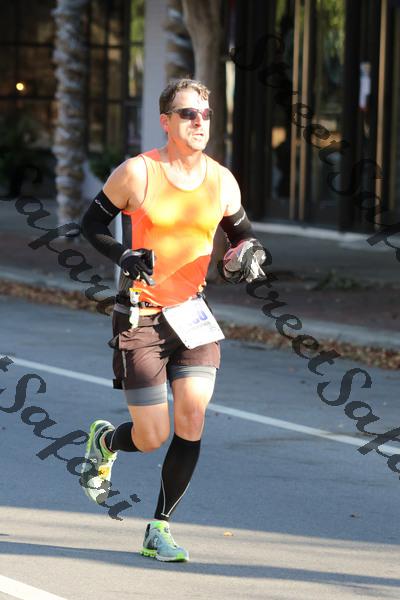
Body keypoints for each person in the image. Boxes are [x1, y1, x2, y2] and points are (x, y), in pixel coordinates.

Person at [80, 78, 266, 562]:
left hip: (192, 317)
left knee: (192, 416)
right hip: (140, 318)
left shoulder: (222, 181)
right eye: (188, 114)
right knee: (152, 435)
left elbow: (244, 237)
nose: (199, 122)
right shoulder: (137, 173)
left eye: (205, 114)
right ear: (166, 121)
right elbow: (91, 224)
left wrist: (247, 256)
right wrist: (124, 255)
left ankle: (159, 527)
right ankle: (106, 441)